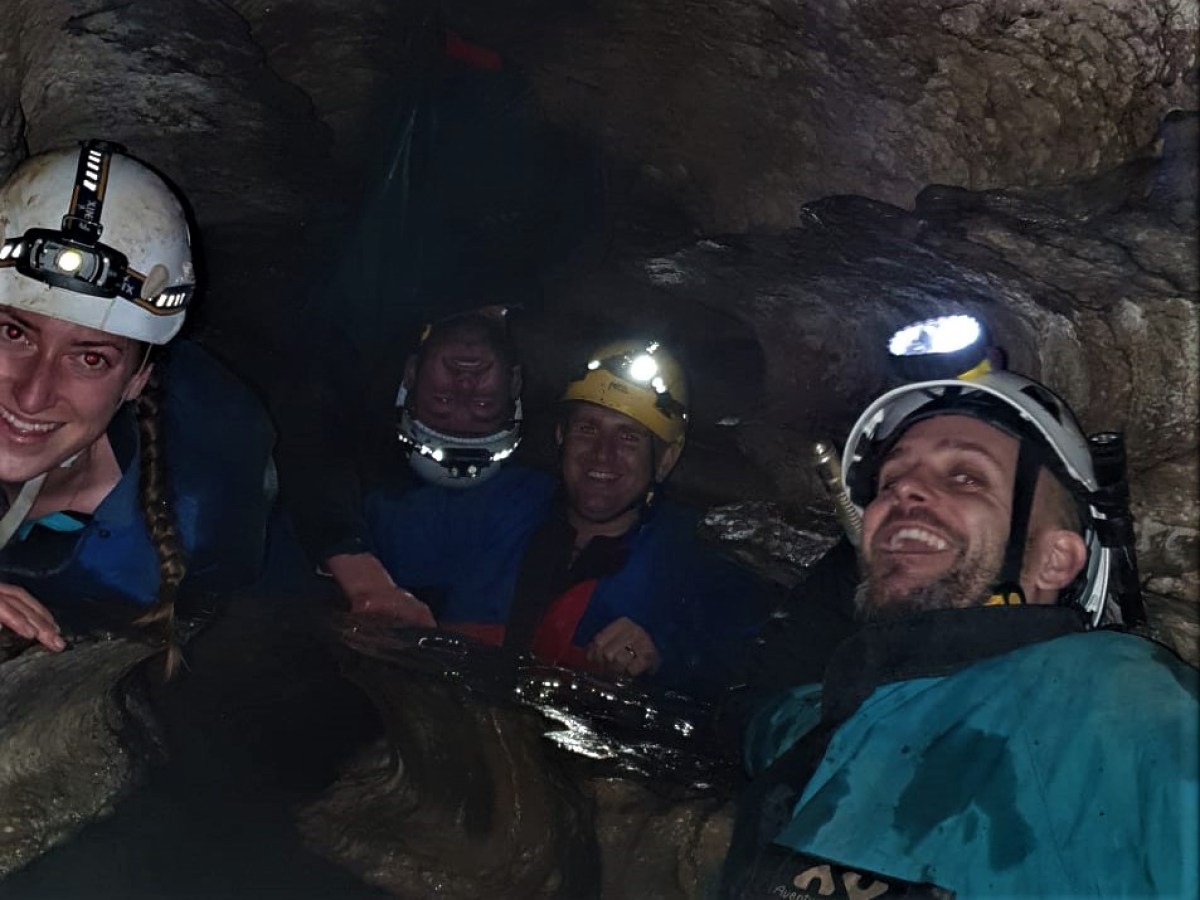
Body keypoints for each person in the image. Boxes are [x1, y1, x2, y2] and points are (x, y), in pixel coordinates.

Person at [720, 367, 1198, 898]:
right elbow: (755, 702)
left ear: (1055, 560)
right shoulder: (829, 717)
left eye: (965, 477)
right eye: (889, 483)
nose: (906, 492)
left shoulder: (1122, 702)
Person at [364, 338, 769, 696]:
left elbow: (753, 668)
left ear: (665, 459)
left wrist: (665, 657)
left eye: (628, 437)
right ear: (561, 437)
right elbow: (364, 524)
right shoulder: (495, 506)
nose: (602, 454)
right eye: (587, 429)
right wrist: (365, 578)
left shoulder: (694, 560)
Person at [0, 140, 275, 665]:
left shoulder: (200, 504)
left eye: (91, 359)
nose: (33, 393)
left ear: (136, 380)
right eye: (14, 331)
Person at [318, 306, 523, 623]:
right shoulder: (568, 298)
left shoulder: (361, 315)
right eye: (484, 405)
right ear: (514, 384)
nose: (465, 385)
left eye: (441, 399)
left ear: (412, 373)